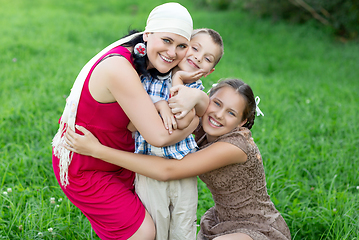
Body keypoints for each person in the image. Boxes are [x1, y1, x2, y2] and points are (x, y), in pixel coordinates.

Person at [52, 3, 209, 239]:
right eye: (166, 40)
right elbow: (158, 137)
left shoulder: (149, 64)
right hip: (87, 164)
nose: (173, 52)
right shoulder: (119, 66)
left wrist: (179, 100)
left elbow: (139, 121)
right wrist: (197, 118)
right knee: (144, 232)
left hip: (121, 159)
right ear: (147, 35)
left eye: (181, 46)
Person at [64, 79, 292, 240]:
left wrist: (98, 150)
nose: (219, 115)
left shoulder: (235, 146)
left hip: (257, 228)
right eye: (217, 104)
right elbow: (140, 126)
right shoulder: (200, 127)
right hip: (222, 221)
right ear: (207, 100)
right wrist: (161, 104)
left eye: (231, 113)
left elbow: (169, 171)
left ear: (242, 122)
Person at [132, 28, 224, 240]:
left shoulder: (197, 91)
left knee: (183, 228)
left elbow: (181, 121)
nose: (197, 58)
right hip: (149, 166)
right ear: (182, 47)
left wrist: (179, 80)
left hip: (183, 167)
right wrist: (161, 104)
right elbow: (136, 113)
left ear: (210, 71)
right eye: (194, 48)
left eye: (207, 58)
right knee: (157, 225)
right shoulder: (150, 78)